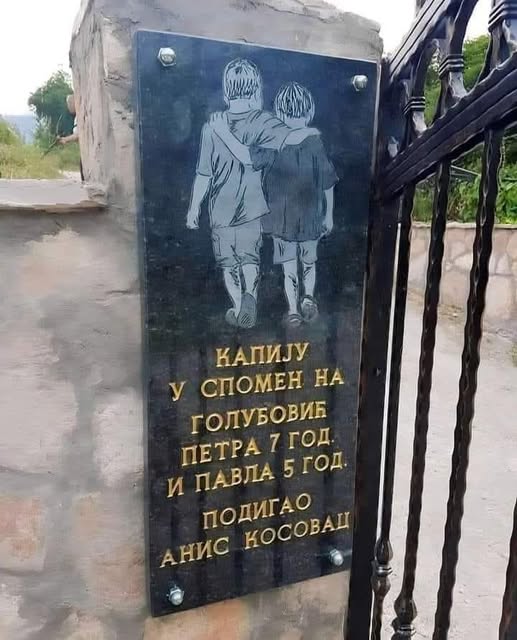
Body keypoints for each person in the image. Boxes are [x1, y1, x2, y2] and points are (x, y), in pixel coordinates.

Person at [187, 59, 318, 329]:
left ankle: (238, 306)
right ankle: (251, 296)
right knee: (250, 259)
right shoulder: (262, 121)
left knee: (228, 265)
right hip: (252, 209)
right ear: (256, 91)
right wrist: (309, 131)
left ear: (226, 93)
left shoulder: (212, 127)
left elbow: (204, 175)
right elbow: (291, 136)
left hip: (220, 211)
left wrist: (193, 209)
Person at [214, 82, 338, 327]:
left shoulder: (275, 144)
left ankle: (294, 309)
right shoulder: (313, 142)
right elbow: (328, 183)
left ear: (279, 114)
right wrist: (329, 215)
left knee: (290, 269)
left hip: (283, 221)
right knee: (308, 264)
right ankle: (306, 299)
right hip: (309, 218)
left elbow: (246, 157)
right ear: (309, 112)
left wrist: (224, 133)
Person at [58, 94, 83, 181]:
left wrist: (65, 139)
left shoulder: (80, 116)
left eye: (69, 103)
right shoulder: (78, 115)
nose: (68, 106)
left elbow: (78, 135)